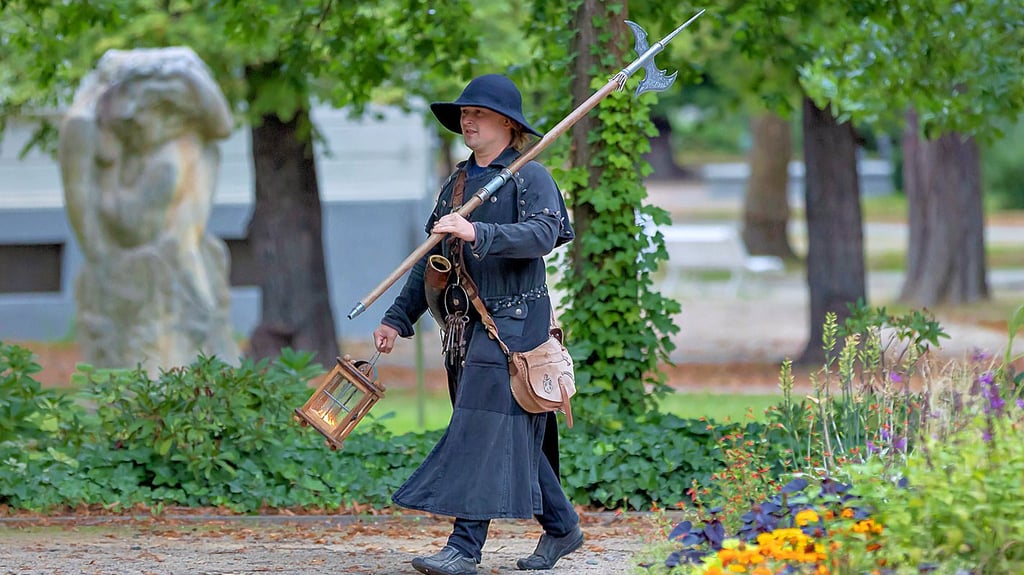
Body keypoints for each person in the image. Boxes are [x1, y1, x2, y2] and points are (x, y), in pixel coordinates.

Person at [373, 73, 582, 575]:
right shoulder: (458, 183)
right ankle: (563, 528)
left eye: (478, 113)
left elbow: (542, 234)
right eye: (464, 114)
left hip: (515, 324)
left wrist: (478, 230)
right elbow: (432, 259)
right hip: (465, 329)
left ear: (507, 124)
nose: (467, 120)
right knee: (508, 432)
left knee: (478, 429)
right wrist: (398, 318)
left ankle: (464, 548)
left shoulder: (531, 176)